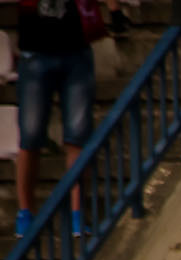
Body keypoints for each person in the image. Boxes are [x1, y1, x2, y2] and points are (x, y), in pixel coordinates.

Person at [15, 0, 121, 239]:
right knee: (30, 137)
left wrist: (114, 9)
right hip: (35, 51)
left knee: (78, 136)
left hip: (75, 50)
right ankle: (25, 212)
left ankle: (77, 214)